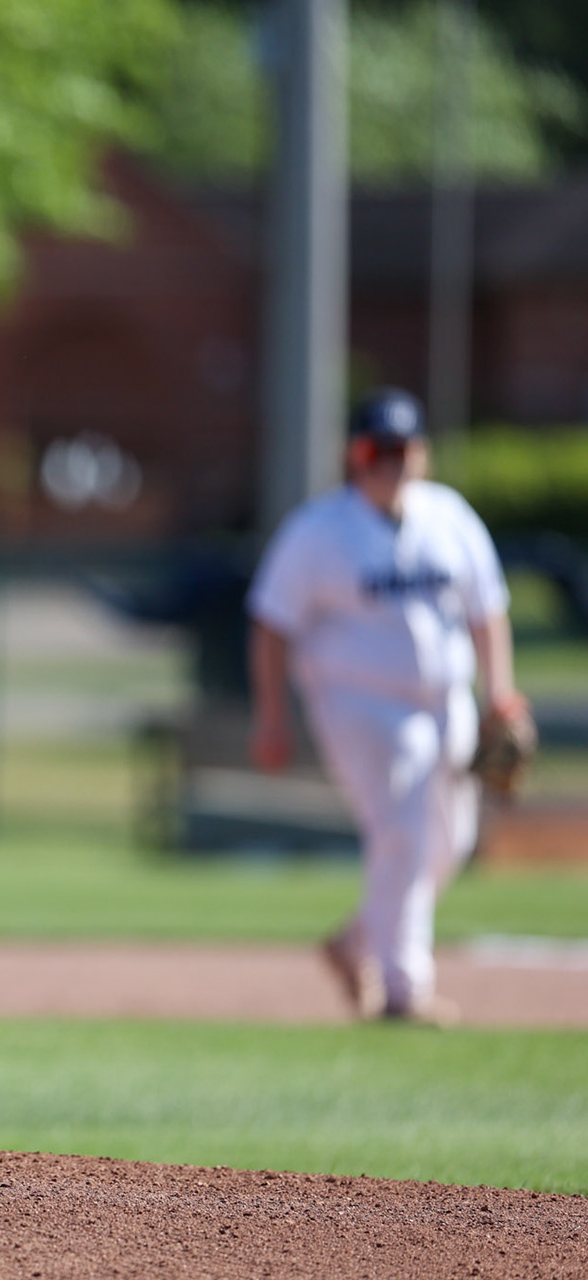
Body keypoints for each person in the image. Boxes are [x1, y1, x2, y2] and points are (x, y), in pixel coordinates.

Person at [247, 387, 525, 1025]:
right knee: (401, 832)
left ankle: (358, 941)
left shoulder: (448, 517)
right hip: (358, 701)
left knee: (451, 839)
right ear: (355, 454)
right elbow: (270, 624)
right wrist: (271, 715)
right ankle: (404, 990)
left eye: (403, 449)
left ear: (422, 454)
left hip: (445, 699)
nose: (390, 463)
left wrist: (500, 693)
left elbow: (488, 609)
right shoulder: (319, 531)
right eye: (378, 449)